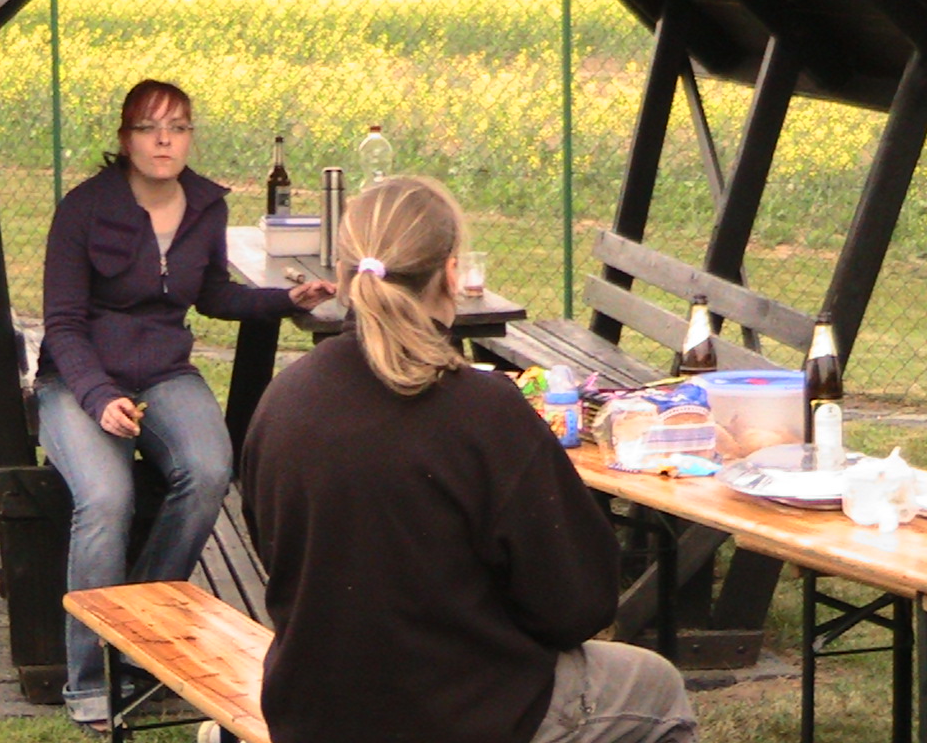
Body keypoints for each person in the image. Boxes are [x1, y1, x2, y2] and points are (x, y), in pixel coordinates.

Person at [240, 175, 697, 743]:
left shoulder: (285, 397)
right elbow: (578, 606)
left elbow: (275, 554)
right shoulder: (483, 410)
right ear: (451, 274)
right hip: (462, 714)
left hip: (312, 714)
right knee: (655, 685)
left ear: (342, 272)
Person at [34, 79, 335, 732]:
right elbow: (62, 323)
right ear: (126, 139)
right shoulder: (83, 209)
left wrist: (287, 300)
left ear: (190, 136)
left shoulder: (205, 206)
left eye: (177, 127)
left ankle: (137, 627)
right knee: (106, 498)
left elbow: (214, 294)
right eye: (149, 128)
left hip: (164, 372)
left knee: (209, 468)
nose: (164, 140)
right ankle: (89, 678)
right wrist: (99, 396)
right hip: (77, 380)